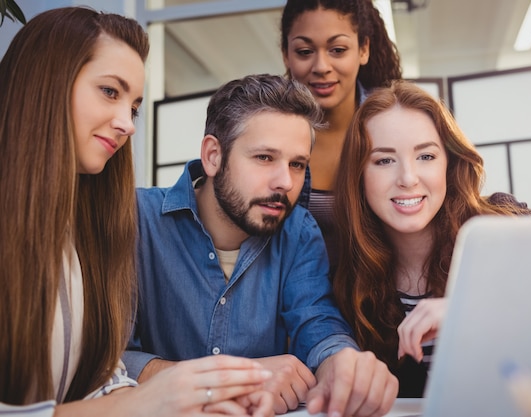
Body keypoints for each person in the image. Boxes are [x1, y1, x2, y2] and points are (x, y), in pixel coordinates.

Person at [0, 7, 274, 416]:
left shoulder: (79, 233)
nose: (127, 124)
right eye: (110, 91)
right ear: (46, 82)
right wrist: (146, 401)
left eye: (133, 107)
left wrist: (199, 398)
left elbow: (94, 383)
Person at [124, 74, 399, 416]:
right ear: (213, 156)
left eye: (297, 164)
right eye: (265, 158)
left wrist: (342, 364)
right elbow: (107, 359)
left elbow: (317, 322)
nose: (285, 181)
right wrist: (233, 381)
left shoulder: (298, 230)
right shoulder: (135, 219)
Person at [332, 80, 531, 397]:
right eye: (384, 160)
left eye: (426, 156)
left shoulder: (503, 224)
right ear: (359, 175)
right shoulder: (349, 277)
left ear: (449, 162)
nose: (408, 178)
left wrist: (470, 310)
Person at [280, 0, 402, 270]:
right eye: (304, 51)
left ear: (363, 49)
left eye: (337, 49)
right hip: (294, 304)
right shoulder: (270, 132)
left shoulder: (397, 125)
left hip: (382, 298)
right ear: (286, 55)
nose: (321, 66)